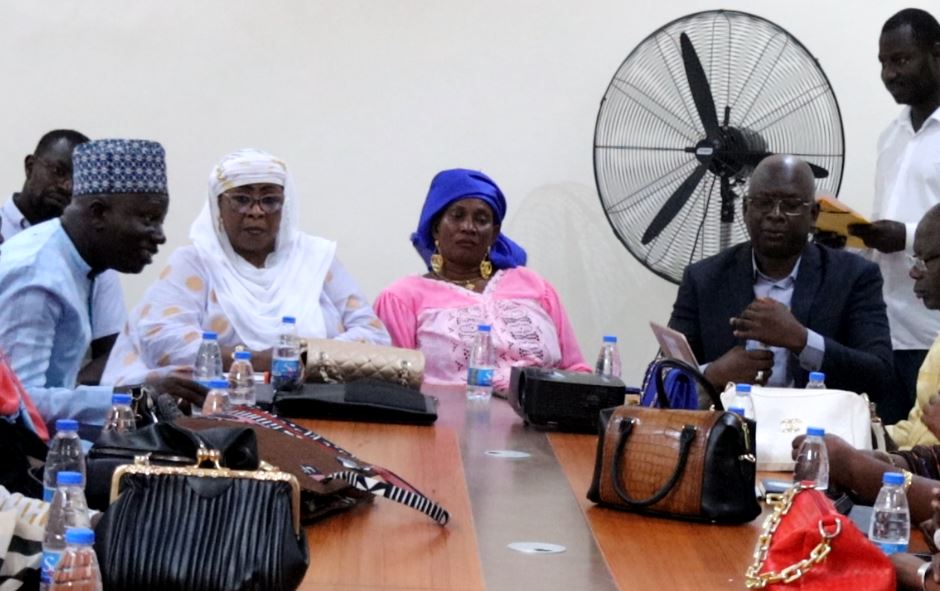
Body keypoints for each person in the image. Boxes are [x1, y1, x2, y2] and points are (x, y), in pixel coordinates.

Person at [102, 148, 389, 386]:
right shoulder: (195, 262)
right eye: (241, 199)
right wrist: (256, 360)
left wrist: (300, 356)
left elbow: (373, 335)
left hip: (313, 406)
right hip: (213, 411)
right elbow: (161, 338)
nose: (256, 211)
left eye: (270, 200)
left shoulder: (316, 259)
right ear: (218, 207)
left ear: (284, 205)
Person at [0, 139, 205, 438]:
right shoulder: (37, 275)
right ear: (97, 213)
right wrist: (135, 398)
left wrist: (142, 393)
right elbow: (19, 407)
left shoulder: (78, 264)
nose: (159, 236)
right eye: (148, 219)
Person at [668, 155, 894, 405]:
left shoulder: (854, 276)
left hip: (816, 431)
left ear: (814, 215)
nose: (775, 215)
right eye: (763, 203)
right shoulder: (703, 279)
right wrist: (713, 374)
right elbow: (663, 374)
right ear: (745, 209)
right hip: (725, 433)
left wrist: (802, 340)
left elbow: (880, 375)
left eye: (791, 204)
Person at [374, 168, 590, 392]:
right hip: (446, 423)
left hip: (543, 419)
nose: (468, 227)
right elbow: (393, 387)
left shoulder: (534, 286)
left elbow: (575, 368)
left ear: (494, 233)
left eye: (481, 219)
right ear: (436, 227)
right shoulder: (401, 298)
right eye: (457, 216)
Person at [844, 9, 940, 425]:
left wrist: (902, 236)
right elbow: (887, 222)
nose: (889, 74)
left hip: (932, 332)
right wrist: (849, 236)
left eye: (901, 60)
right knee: (890, 451)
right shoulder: (890, 136)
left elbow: (908, 230)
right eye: (883, 62)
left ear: (936, 53)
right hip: (885, 329)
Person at [1, 130, 126, 386]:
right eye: (58, 171)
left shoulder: (93, 257)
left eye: (78, 180)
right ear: (30, 167)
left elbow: (112, 349)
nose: (67, 186)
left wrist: (69, 395)